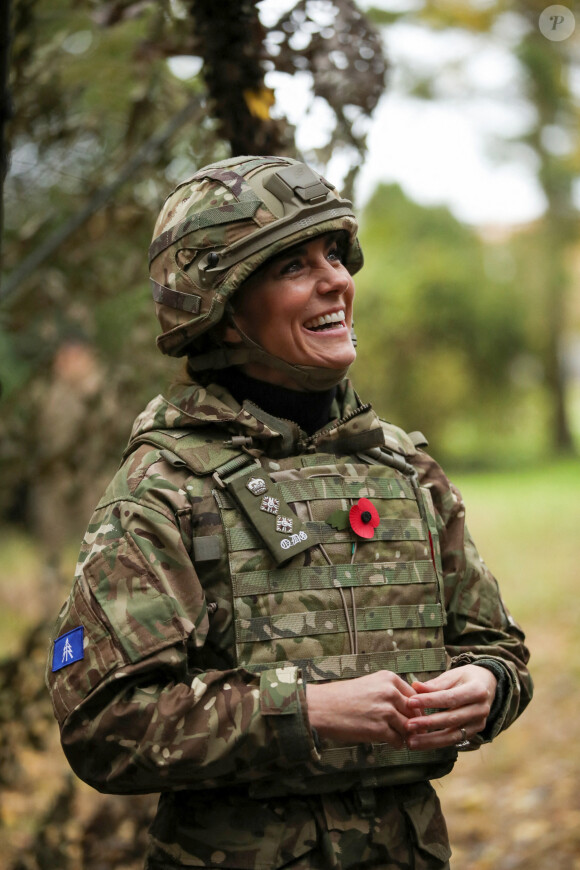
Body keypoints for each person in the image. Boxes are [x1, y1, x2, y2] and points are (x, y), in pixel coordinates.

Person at [46, 155, 533, 869]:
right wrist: (305, 711)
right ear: (220, 307)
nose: (336, 278)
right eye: (292, 266)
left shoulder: (401, 467)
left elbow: (499, 647)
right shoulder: (166, 490)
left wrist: (488, 687)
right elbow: (102, 725)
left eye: (334, 254)